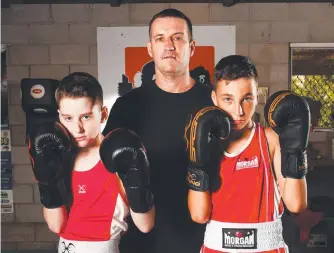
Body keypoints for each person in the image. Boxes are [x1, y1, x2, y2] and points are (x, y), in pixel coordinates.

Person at [102, 8, 214, 253]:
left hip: (207, 237)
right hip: (143, 239)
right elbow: (107, 174)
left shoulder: (214, 102)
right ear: (150, 49)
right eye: (160, 38)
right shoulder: (127, 106)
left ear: (191, 47)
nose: (169, 45)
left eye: (177, 37)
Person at [187, 55, 310, 252]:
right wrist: (197, 164)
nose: (238, 111)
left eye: (247, 99)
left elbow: (296, 205)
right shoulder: (205, 142)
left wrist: (295, 148)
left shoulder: (270, 139)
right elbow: (199, 215)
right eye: (228, 99)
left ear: (257, 96)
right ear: (214, 98)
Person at [27, 72, 155, 253]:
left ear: (103, 114)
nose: (77, 128)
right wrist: (46, 181)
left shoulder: (120, 157)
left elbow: (145, 225)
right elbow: (56, 226)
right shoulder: (58, 158)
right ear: (59, 116)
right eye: (68, 118)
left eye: (86, 117)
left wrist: (138, 177)